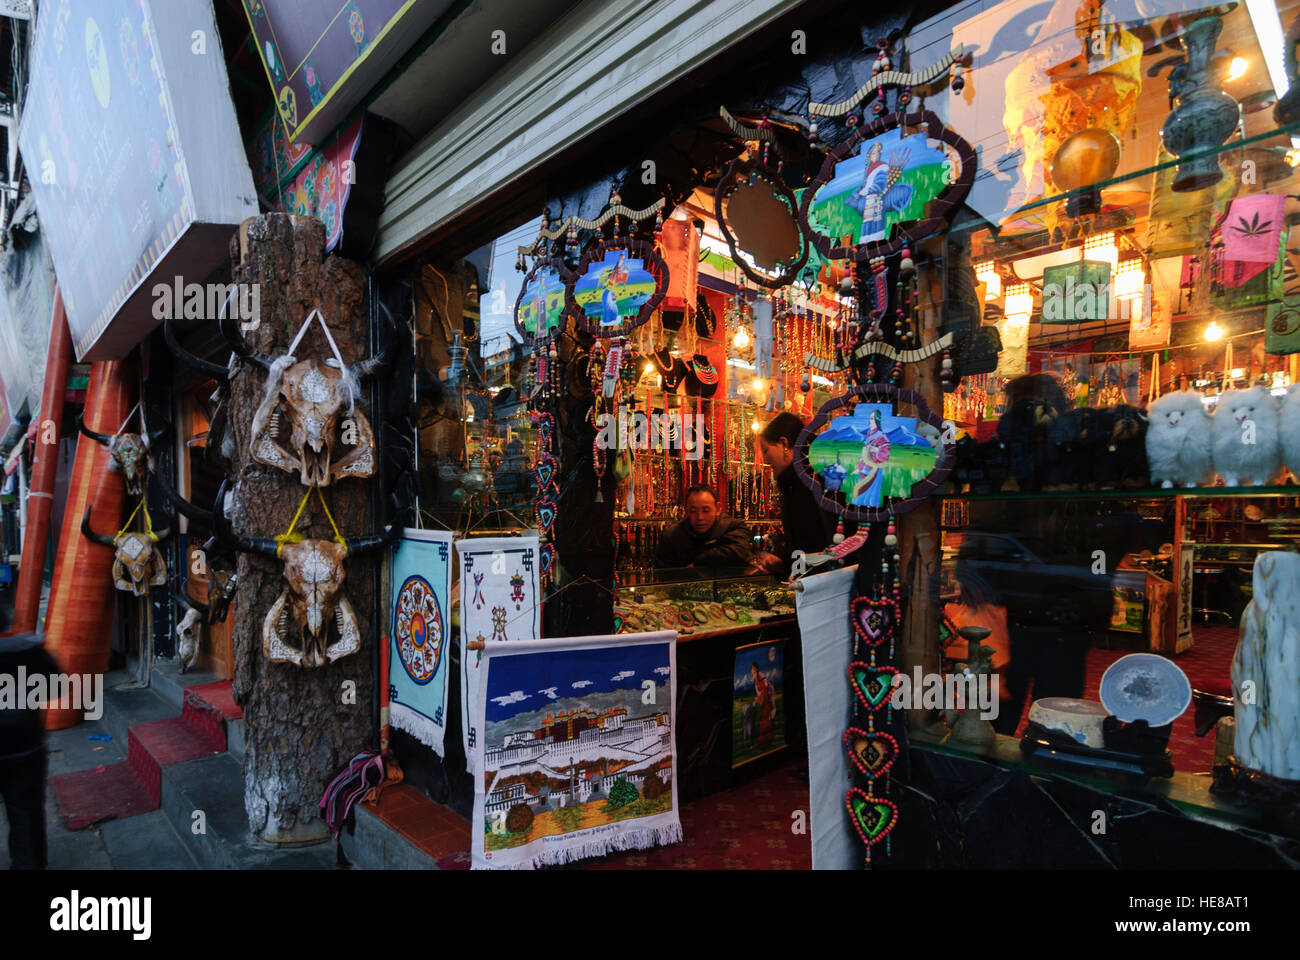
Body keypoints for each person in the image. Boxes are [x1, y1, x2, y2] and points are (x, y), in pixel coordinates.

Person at [754, 412, 844, 577]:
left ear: (784, 444)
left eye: (766, 450)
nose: (765, 459)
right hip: (812, 579)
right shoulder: (795, 483)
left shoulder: (813, 481)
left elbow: (817, 542)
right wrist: (783, 562)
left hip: (824, 581)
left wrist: (796, 571)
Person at [0, 631, 59, 869]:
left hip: (24, 749)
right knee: (26, 817)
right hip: (24, 748)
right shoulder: (26, 650)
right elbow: (56, 687)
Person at [655, 485, 755, 569]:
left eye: (706, 511)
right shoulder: (672, 535)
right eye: (693, 511)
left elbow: (741, 552)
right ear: (686, 510)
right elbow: (663, 573)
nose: (700, 517)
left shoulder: (732, 527)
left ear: (718, 509)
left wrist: (701, 561)